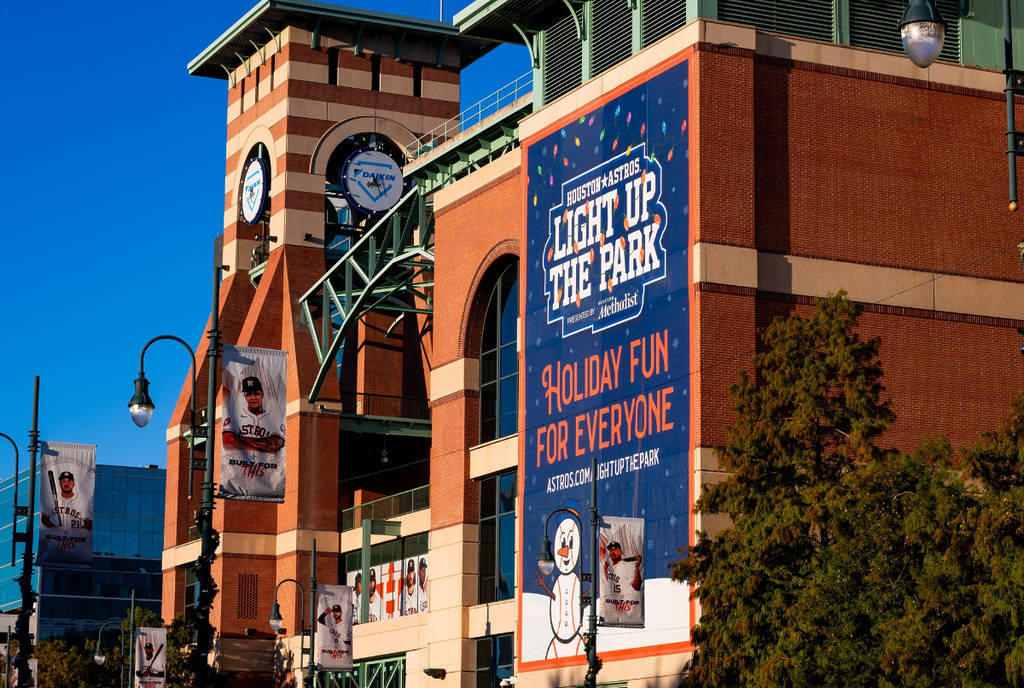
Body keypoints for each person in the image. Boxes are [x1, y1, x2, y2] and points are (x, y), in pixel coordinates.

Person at [222, 376, 285, 453]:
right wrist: (261, 448)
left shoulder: (275, 418)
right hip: (239, 464)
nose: (253, 397)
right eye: (249, 394)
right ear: (244, 395)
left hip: (264, 465)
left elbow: (274, 445)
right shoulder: (234, 416)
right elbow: (228, 443)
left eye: (256, 393)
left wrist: (241, 440)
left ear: (262, 394)